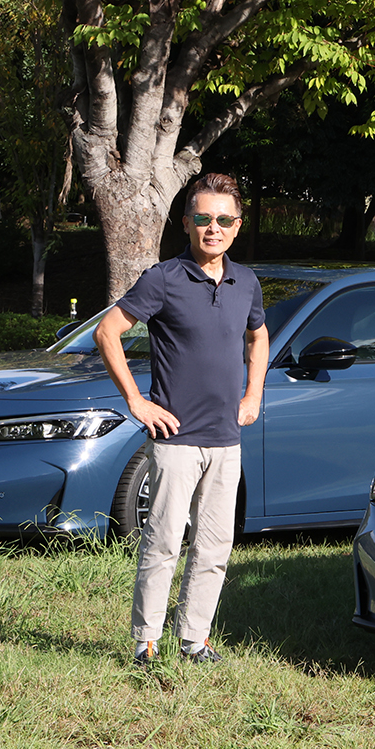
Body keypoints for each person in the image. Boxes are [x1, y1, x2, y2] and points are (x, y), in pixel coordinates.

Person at [94, 173, 268, 665]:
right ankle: (146, 642)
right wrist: (136, 401)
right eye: (202, 219)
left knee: (215, 546)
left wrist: (253, 394)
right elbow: (107, 333)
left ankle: (195, 640)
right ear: (187, 223)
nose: (213, 228)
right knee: (164, 541)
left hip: (226, 439)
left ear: (237, 226)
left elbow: (258, 337)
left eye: (223, 219)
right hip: (174, 438)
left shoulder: (246, 281)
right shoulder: (163, 278)